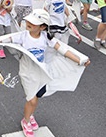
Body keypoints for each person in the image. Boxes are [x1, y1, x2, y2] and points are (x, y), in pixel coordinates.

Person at [5, 9, 89, 137]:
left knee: (37, 96)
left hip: (41, 72)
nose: (29, 23)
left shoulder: (46, 38)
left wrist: (80, 61)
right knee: (31, 99)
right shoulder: (23, 35)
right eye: (29, 20)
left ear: (42, 27)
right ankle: (25, 121)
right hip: (27, 73)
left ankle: (31, 115)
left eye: (34, 22)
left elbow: (63, 50)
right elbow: (7, 39)